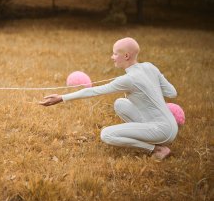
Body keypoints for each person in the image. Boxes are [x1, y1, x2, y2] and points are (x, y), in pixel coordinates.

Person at [39, 37, 178, 160]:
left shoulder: (127, 79)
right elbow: (172, 93)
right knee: (120, 103)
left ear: (126, 56)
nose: (112, 57)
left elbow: (93, 91)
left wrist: (61, 98)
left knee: (106, 135)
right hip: (171, 125)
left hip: (161, 130)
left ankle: (156, 149)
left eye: (115, 53)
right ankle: (154, 139)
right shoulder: (149, 66)